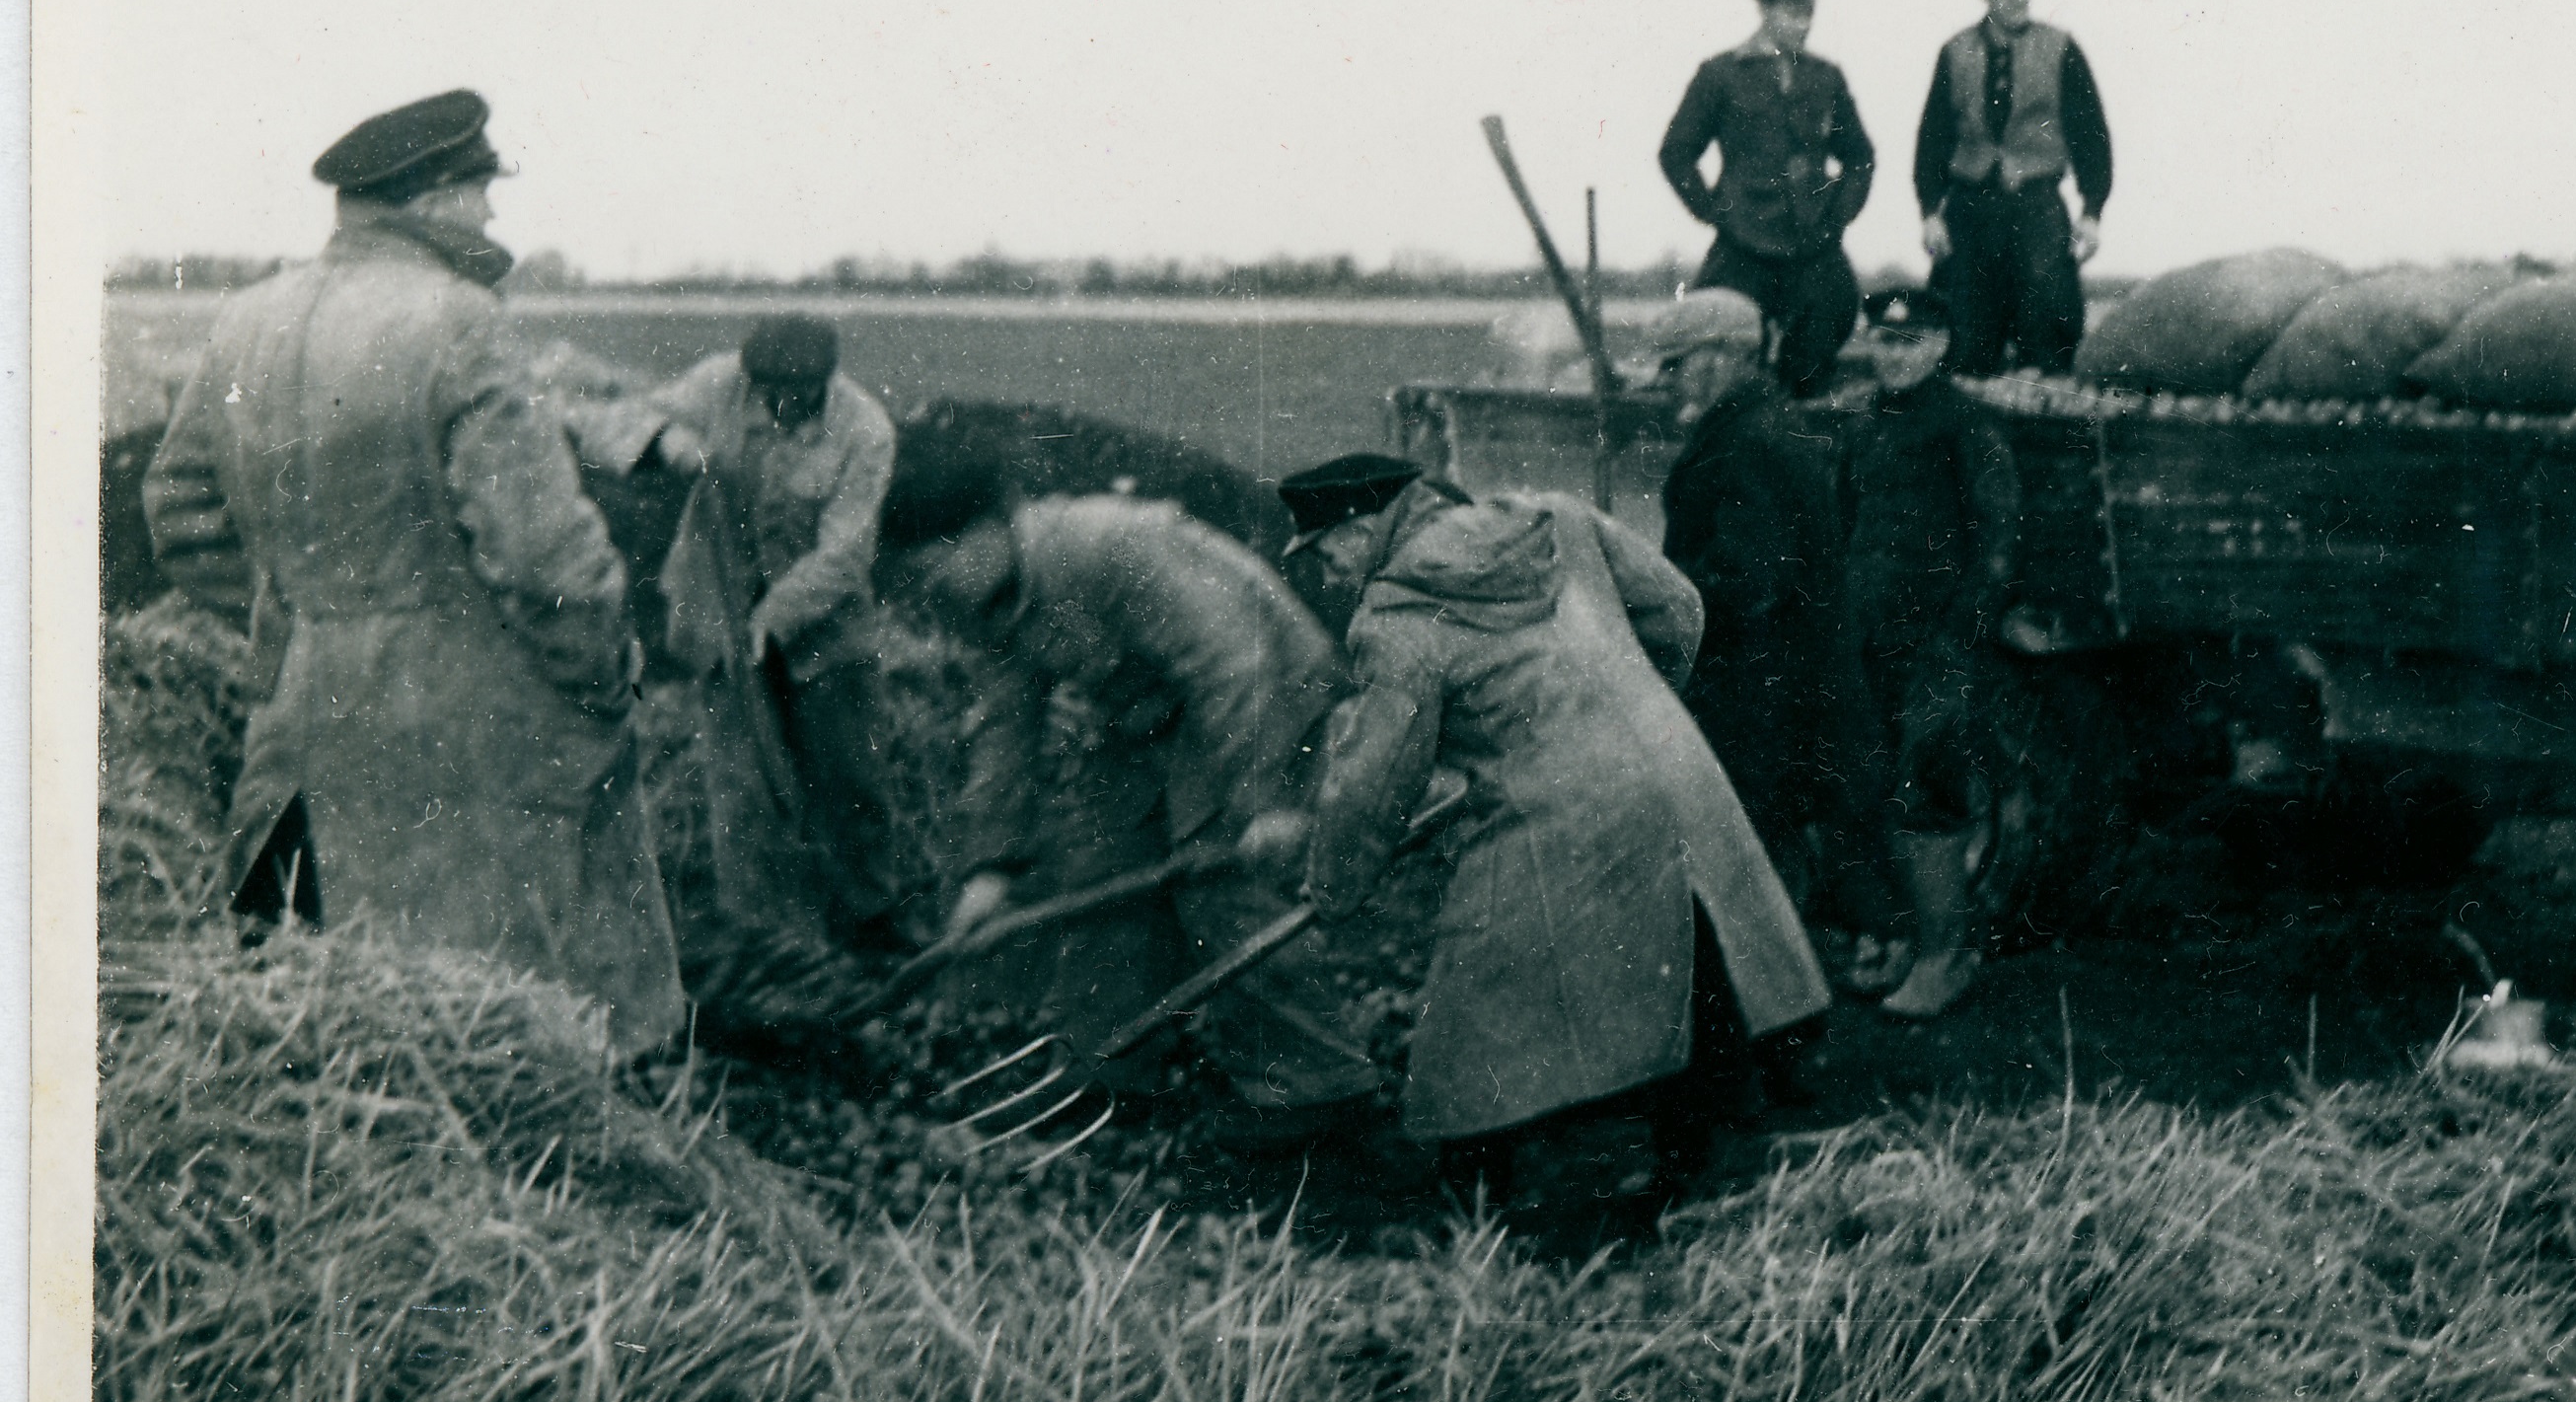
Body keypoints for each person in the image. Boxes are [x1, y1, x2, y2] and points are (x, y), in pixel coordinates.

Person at [142, 90, 685, 1048]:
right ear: (432, 198)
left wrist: (295, 620)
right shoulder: (458, 319)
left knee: (325, 1029)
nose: (488, 216)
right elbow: (542, 554)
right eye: (479, 192)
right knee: (511, 1032)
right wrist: (604, 674)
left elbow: (179, 511)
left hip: (301, 725)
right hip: (463, 735)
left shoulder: (246, 318)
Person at [1283, 451, 1831, 1227]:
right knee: (1683, 942)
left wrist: (1335, 885)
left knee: (1480, 986)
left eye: (1327, 549)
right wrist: (1624, 710)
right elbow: (1678, 607)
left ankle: (1479, 1186)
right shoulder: (1551, 517)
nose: (1331, 572)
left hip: (1560, 810)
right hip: (1668, 760)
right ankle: (1712, 1150)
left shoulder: (1397, 618)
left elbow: (1375, 782)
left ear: (1364, 525)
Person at [893, 486, 1382, 1150]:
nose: (936, 586)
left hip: (1263, 693)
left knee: (1223, 892)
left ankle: (1317, 1092)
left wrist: (1264, 803)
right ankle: (1105, 1071)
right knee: (1102, 869)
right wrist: (990, 868)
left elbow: (1234, 660)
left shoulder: (1107, 545)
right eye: (920, 577)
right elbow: (1004, 729)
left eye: (939, 564)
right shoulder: (981, 604)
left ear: (990, 525)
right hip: (1146, 719)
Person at [578, 316, 911, 949]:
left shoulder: (865, 430)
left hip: (825, 619)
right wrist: (668, 440)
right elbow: (614, 422)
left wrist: (771, 619)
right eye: (768, 394)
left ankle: (869, 919)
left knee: (850, 775)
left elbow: (844, 554)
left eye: (797, 396)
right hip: (716, 603)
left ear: (824, 384)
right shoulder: (717, 384)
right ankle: (768, 933)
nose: (780, 407)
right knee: (742, 783)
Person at [1652, 287, 1901, 967]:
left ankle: (1773, 1000)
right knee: (1777, 846)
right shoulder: (1767, 424)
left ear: (1721, 358)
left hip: (1757, 693)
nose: (1664, 380)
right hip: (1784, 681)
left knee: (1751, 850)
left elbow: (1751, 582)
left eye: (1676, 364)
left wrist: (1655, 593)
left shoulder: (1745, 443)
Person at [1841, 286, 2024, 1020]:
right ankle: (1889, 938)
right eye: (1884, 342)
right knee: (1867, 783)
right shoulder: (1862, 425)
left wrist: (1957, 637)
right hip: (1868, 639)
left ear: (1941, 345)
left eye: (1910, 342)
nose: (1894, 356)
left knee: (1929, 790)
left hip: (1936, 644)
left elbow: (1999, 540)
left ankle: (1945, 955)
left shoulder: (1966, 428)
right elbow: (1845, 524)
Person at [1656, 0, 1879, 400]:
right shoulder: (1721, 74)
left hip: (1812, 241)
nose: (1802, 24)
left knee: (1831, 317)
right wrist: (1712, 209)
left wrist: (1838, 215)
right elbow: (1676, 152)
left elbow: (1860, 156)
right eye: (1791, 14)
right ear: (1764, 10)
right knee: (1717, 336)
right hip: (1745, 240)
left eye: (1807, 14)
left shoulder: (1826, 77)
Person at [1913, 0, 2115, 378]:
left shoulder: (2060, 48)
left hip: (2036, 207)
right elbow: (1932, 141)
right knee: (1968, 340)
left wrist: (2092, 212)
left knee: (2049, 325)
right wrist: (1930, 211)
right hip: (1970, 211)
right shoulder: (1955, 52)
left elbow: (2091, 138)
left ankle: (2046, 431)